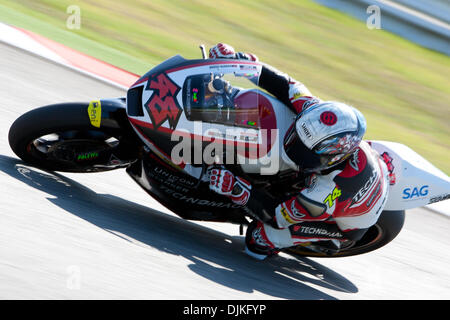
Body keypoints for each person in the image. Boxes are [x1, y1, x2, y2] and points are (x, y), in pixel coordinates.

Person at [207, 43, 390, 259]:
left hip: (342, 223)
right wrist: (240, 61)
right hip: (364, 169)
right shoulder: (314, 113)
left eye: (307, 151)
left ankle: (305, 241)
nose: (297, 150)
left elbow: (277, 216)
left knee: (258, 239)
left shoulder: (324, 192)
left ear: (334, 157)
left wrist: (237, 189)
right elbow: (285, 84)